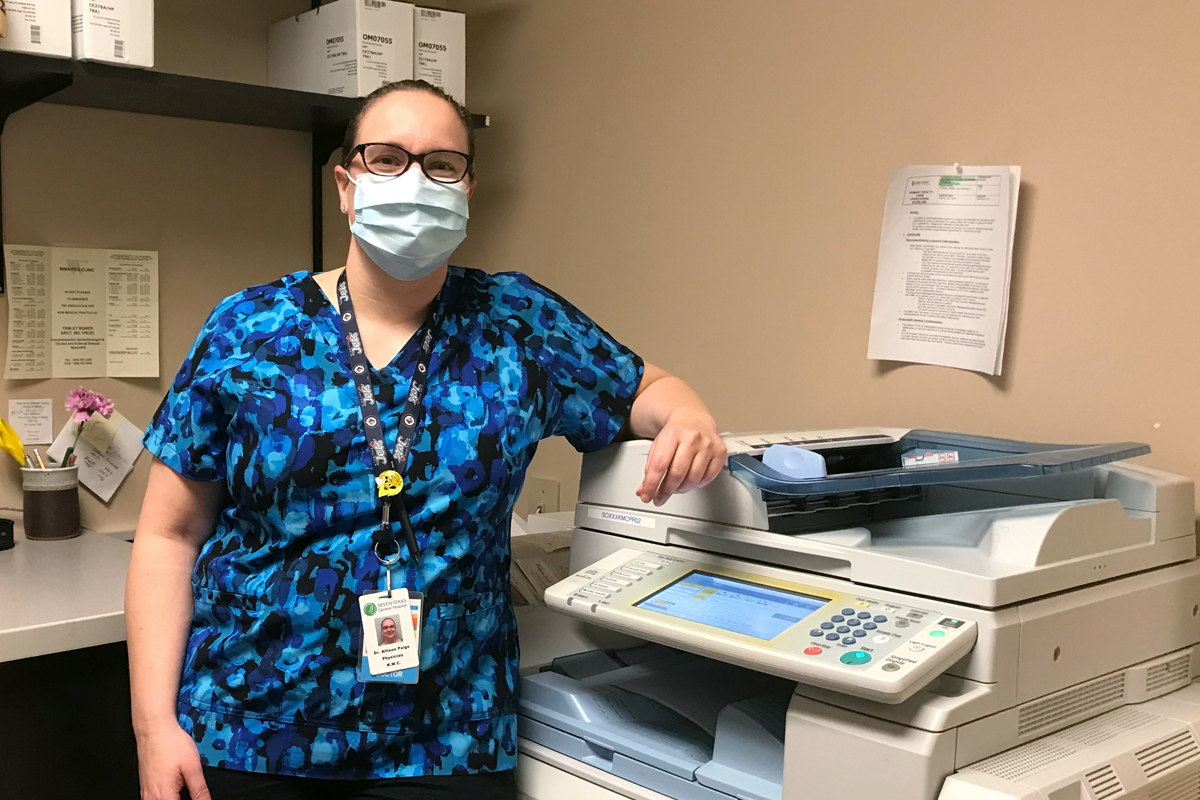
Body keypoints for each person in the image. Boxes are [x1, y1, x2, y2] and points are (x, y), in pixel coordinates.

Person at [125, 79, 726, 800]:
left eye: (441, 163)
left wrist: (688, 412)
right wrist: (153, 727)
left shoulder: (517, 323)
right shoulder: (248, 329)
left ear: (467, 189)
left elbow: (643, 389)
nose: (413, 179)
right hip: (249, 730)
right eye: (386, 159)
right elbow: (167, 536)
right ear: (345, 186)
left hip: (449, 739)